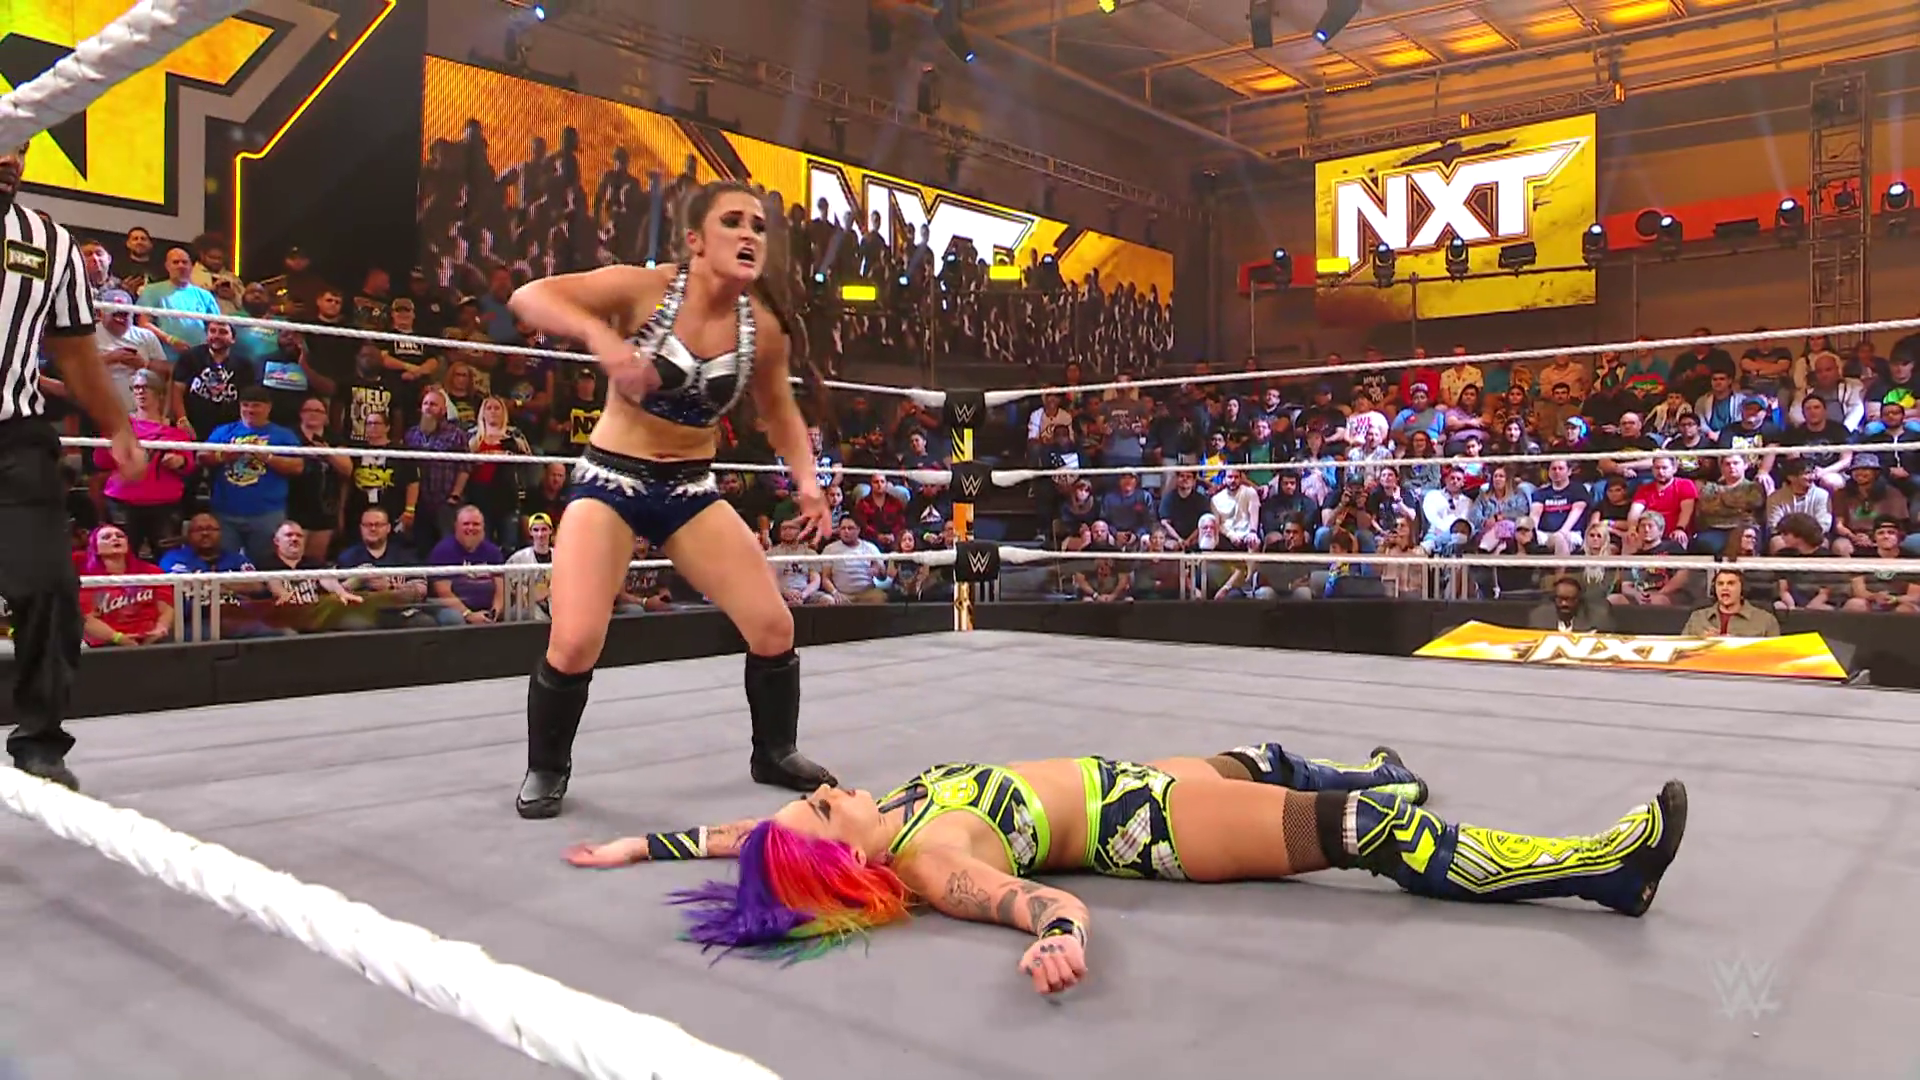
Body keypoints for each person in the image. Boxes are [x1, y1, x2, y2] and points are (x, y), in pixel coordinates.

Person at [567, 743, 1685, 994]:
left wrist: (633, 846)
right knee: (1358, 832)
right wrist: (1059, 938)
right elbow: (1032, 899)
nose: (827, 785)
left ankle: (1382, 777)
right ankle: (1599, 868)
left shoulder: (869, 822)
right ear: (842, 855)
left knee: (1262, 759)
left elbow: (737, 837)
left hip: (1124, 779)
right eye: (820, 805)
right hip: (1141, 825)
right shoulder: (930, 857)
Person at [505, 180, 835, 819]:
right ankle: (546, 768)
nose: (749, 234)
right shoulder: (645, 289)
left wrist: (808, 484)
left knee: (774, 626)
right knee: (575, 641)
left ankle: (774, 751)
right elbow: (529, 296)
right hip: (611, 480)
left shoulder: (761, 328)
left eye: (757, 226)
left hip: (689, 488)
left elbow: (779, 411)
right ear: (695, 240)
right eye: (732, 222)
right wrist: (602, 339)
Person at [0, 137, 147, 791]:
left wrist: (117, 425)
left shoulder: (49, 242)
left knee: (50, 589)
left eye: (22, 145)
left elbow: (77, 351)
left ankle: (39, 742)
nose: (10, 158)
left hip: (13, 438)